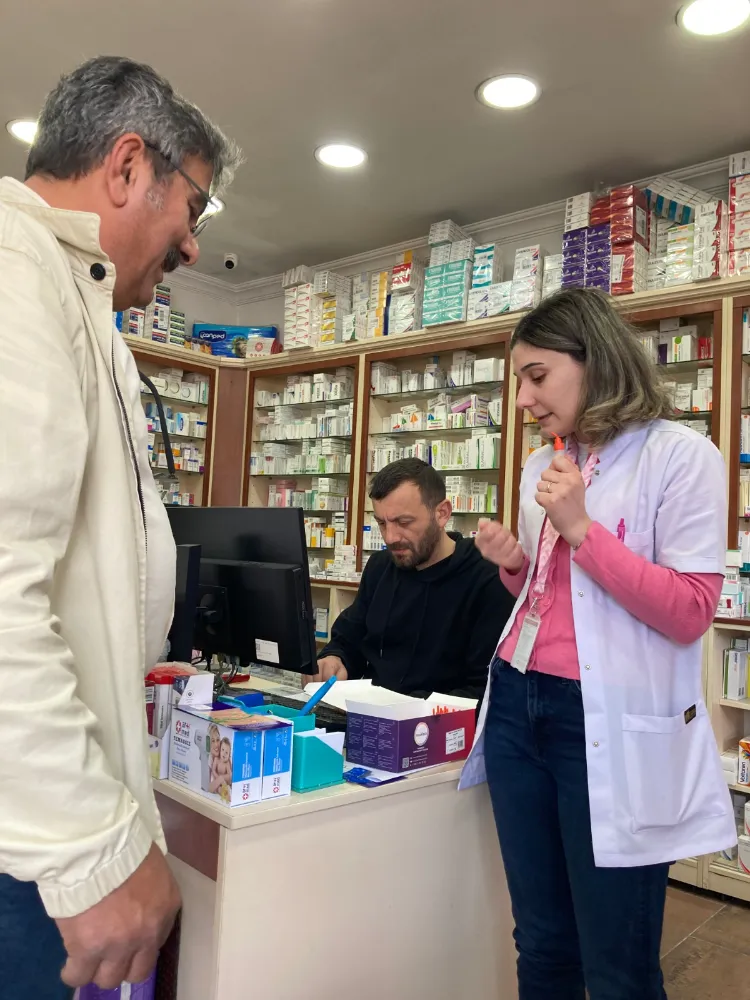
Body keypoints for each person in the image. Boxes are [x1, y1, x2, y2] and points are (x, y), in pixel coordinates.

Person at [0, 57, 242, 999]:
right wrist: (89, 848)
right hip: (26, 844)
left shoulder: (78, 297)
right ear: (129, 165)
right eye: (194, 207)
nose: (193, 245)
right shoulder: (17, 270)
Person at [460, 287, 735, 1000]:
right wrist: (515, 565)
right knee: (541, 942)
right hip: (517, 705)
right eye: (518, 379)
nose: (523, 398)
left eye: (537, 375)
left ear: (598, 362)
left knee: (616, 965)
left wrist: (582, 529)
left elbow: (691, 611)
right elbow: (554, 602)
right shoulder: (543, 464)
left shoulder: (682, 457)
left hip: (601, 721)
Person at [310, 458, 515, 698]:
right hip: (371, 713)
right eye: (381, 523)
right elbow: (350, 638)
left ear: (442, 513)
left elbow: (485, 688)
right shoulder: (380, 567)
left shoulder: (487, 577)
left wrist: (410, 711)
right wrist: (335, 659)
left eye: (403, 522)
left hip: (440, 718)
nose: (390, 537)